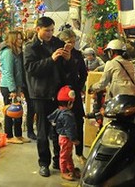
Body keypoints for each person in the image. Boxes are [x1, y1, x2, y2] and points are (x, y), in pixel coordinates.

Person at [24, 16, 69, 178]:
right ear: (38, 29)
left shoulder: (58, 43)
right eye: (47, 30)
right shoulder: (31, 48)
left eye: (52, 30)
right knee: (43, 131)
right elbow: (31, 69)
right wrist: (51, 59)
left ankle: (59, 160)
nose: (50, 33)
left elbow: (67, 68)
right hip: (40, 94)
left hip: (58, 93)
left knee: (60, 128)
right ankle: (44, 163)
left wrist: (68, 59)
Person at [57, 29, 87, 165]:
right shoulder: (57, 54)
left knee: (78, 123)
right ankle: (61, 158)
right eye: (69, 42)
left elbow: (84, 74)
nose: (72, 44)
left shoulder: (77, 54)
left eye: (74, 42)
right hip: (60, 94)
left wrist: (78, 88)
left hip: (74, 93)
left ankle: (79, 153)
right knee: (61, 125)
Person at [0, 30, 30, 144]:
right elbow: (8, 72)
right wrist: (12, 89)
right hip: (8, 87)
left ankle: (18, 134)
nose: (21, 41)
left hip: (16, 86)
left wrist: (19, 88)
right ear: (12, 39)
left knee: (18, 110)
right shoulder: (8, 52)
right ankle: (9, 135)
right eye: (18, 38)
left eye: (21, 38)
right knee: (9, 111)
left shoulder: (17, 52)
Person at [48, 85, 80, 181]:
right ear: (70, 102)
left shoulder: (58, 111)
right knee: (65, 155)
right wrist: (74, 139)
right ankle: (64, 172)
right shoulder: (68, 115)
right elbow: (70, 129)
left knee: (68, 155)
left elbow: (50, 118)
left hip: (62, 137)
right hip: (67, 139)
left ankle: (71, 169)